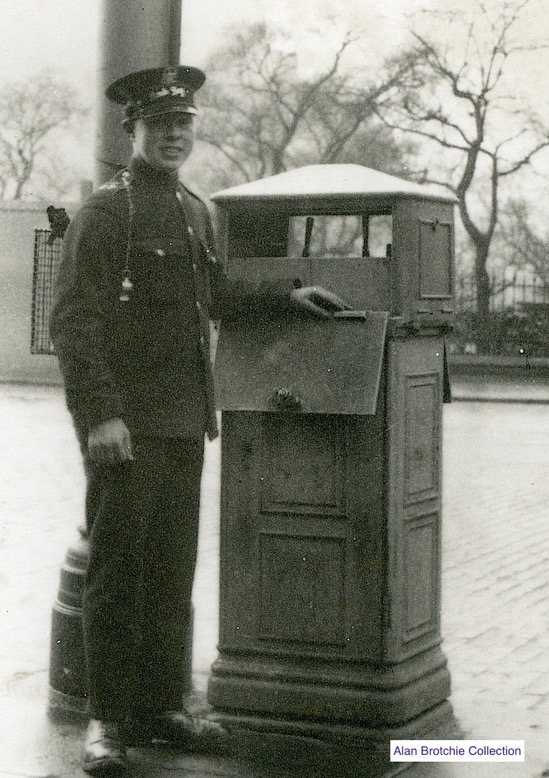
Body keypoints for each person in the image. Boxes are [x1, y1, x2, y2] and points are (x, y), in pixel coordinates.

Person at [50, 64, 347, 776]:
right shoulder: (105, 213)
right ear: (135, 132)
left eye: (184, 125)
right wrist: (100, 417)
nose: (175, 135)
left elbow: (215, 291)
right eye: (161, 126)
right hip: (126, 429)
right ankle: (107, 721)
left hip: (185, 423)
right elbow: (74, 324)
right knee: (118, 575)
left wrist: (288, 293)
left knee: (170, 572)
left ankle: (163, 705)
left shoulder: (193, 209)